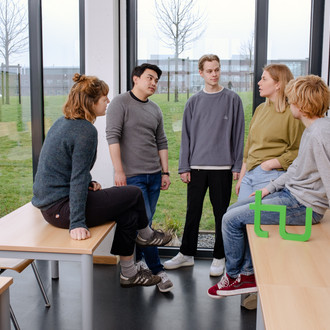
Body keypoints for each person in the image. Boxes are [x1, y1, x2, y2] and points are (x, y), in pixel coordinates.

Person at [32, 73, 172, 289]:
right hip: (62, 209)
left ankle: (129, 272)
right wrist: (77, 223)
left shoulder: (63, 122)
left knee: (128, 209)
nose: (108, 101)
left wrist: (89, 182)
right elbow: (76, 176)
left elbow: (65, 167)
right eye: (104, 98)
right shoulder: (84, 130)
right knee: (133, 193)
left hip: (52, 206)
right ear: (91, 102)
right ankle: (146, 235)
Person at [208, 74, 330, 298]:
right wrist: (269, 188)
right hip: (291, 195)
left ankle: (238, 276)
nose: (290, 103)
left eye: (292, 99)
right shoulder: (314, 130)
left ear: (301, 106)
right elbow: (295, 169)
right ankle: (242, 274)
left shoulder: (319, 134)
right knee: (231, 212)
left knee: (229, 219)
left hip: (303, 206)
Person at [164, 54, 245, 277]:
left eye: (217, 69)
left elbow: (239, 135)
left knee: (221, 214)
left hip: (223, 168)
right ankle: (186, 254)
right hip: (197, 166)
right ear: (201, 73)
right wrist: (184, 167)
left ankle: (219, 257)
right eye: (209, 71)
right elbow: (186, 137)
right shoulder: (193, 102)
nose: (214, 74)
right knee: (193, 212)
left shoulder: (233, 99)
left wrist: (237, 164)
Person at [106, 63, 173, 292]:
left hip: (154, 176)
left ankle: (135, 268)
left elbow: (161, 142)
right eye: (149, 78)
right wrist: (118, 171)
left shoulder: (155, 109)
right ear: (135, 78)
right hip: (132, 178)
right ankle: (157, 270)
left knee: (146, 226)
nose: (153, 83)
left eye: (156, 80)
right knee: (148, 231)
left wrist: (165, 172)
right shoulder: (119, 103)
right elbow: (112, 137)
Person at [236, 64, 305, 201]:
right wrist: (242, 177)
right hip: (249, 176)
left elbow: (299, 151)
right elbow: (249, 148)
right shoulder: (260, 109)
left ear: (278, 84)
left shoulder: (292, 113)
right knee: (239, 220)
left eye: (264, 79)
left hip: (270, 176)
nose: (259, 82)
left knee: (255, 220)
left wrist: (270, 164)